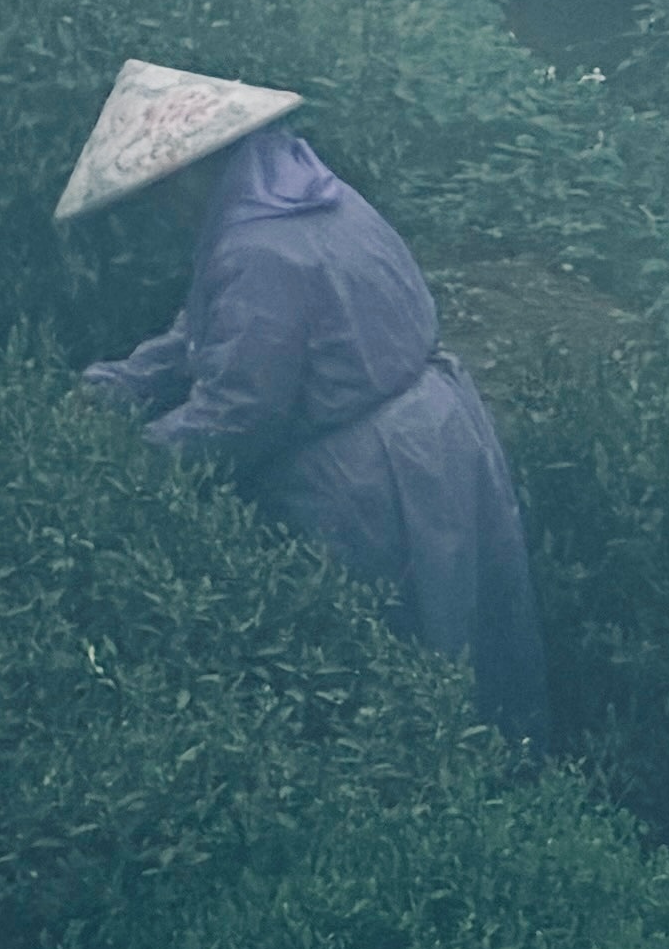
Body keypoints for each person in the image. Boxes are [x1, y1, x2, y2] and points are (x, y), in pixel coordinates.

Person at [60, 61, 548, 740]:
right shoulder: (306, 196)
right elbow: (204, 333)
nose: (166, 210)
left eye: (166, 191)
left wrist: (126, 467)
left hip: (370, 480)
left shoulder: (259, 247)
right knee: (466, 637)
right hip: (438, 439)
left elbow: (240, 414)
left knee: (394, 672)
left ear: (196, 172)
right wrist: (116, 385)